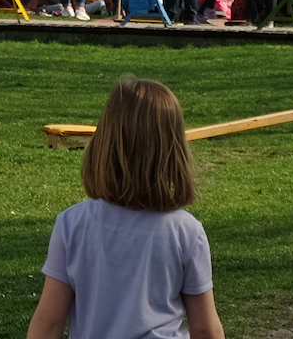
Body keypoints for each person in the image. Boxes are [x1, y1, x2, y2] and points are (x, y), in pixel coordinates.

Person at [27, 77, 225, 339]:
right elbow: (205, 328)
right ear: (173, 150)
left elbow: (48, 324)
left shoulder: (73, 224)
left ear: (105, 142)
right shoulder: (186, 231)